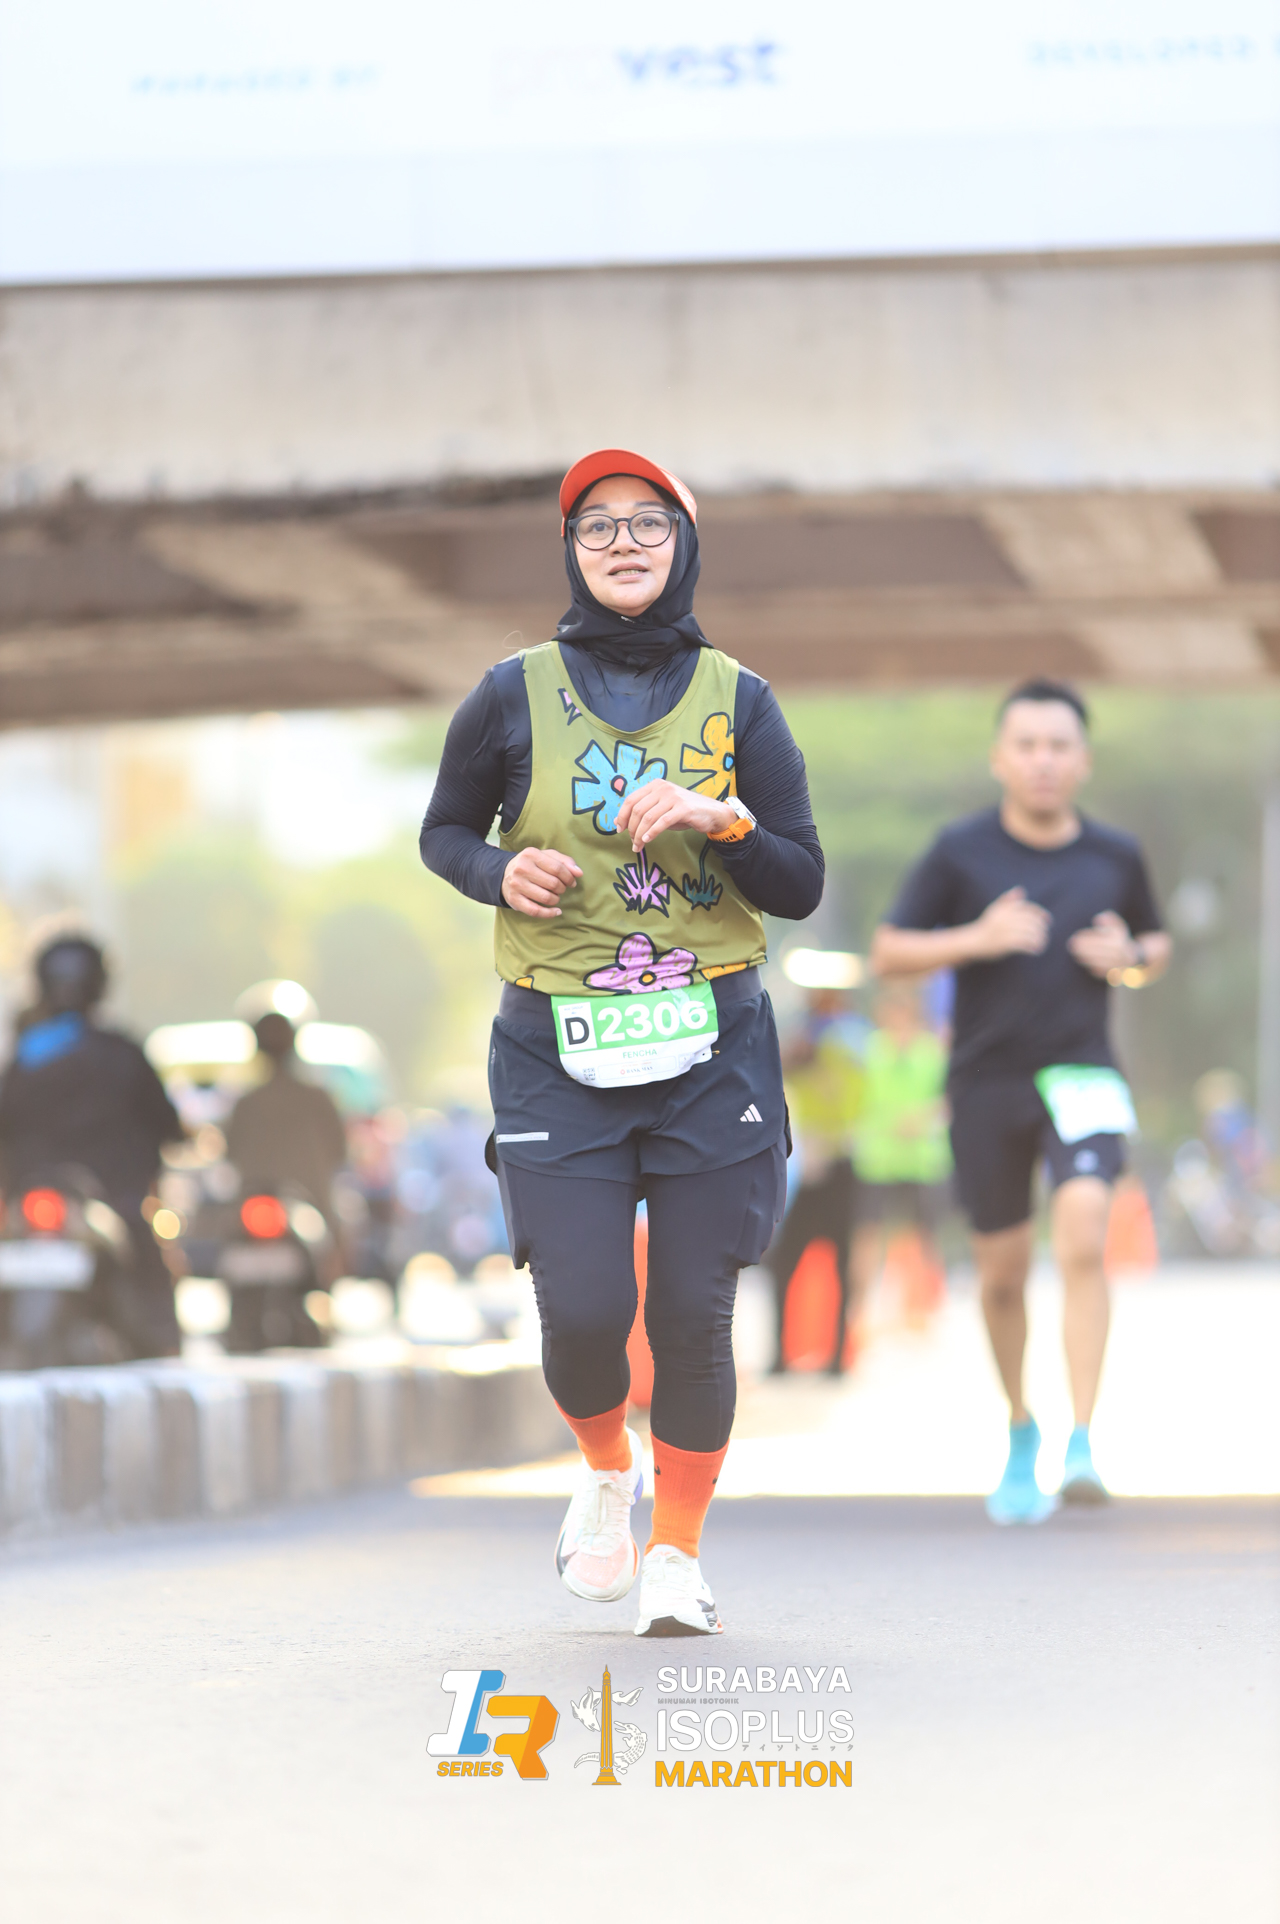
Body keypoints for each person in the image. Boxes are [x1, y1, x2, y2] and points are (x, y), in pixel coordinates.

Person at [421, 447, 823, 1634]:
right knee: (587, 1309)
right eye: (597, 525)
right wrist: (498, 871)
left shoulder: (742, 702)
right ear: (571, 551)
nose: (623, 543)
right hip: (555, 1045)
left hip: (711, 1046)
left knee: (692, 1312)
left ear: (683, 545)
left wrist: (721, 818)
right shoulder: (509, 694)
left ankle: (677, 1556)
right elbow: (444, 832)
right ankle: (605, 1467)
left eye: (649, 522)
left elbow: (797, 881)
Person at [871, 679, 1170, 1522]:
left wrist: (1130, 956)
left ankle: (1083, 1441)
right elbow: (888, 951)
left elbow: (1153, 943)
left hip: (1083, 1075)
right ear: (1000, 758)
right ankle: (1020, 1426)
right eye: (1028, 745)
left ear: (1084, 761)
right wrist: (979, 937)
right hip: (987, 1083)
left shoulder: (1115, 855)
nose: (1044, 760)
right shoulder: (960, 852)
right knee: (1001, 1273)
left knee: (1084, 1231)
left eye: (1059, 746)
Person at [0, 934, 184, 1356]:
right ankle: (165, 1353)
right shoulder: (123, 1053)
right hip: (116, 1202)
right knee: (154, 1305)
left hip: (29, 1204)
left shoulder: (25, 1058)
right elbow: (167, 1124)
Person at [765, 986, 864, 1374]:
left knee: (841, 1265)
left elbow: (851, 1097)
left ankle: (837, 1355)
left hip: (841, 1166)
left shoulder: (850, 1044)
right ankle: (781, 1353)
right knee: (784, 1263)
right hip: (808, 1170)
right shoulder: (806, 1046)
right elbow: (784, 1067)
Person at [851, 978, 951, 1316]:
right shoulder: (870, 1049)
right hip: (877, 1158)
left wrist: (922, 1118)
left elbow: (947, 1098)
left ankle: (924, 1308)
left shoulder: (931, 1051)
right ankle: (859, 1307)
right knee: (868, 1232)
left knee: (925, 1235)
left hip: (922, 1159)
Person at [225, 1013, 348, 1241]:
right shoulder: (317, 1099)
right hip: (304, 1212)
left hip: (270, 1214)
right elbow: (339, 1153)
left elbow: (231, 1155)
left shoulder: (247, 1104)